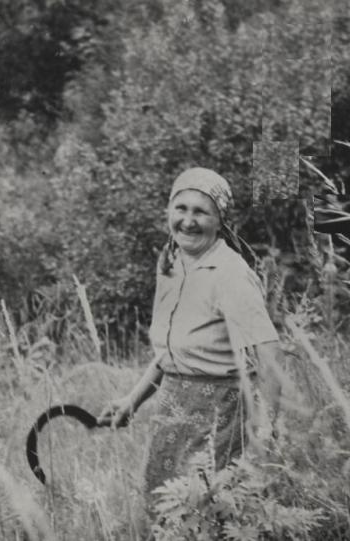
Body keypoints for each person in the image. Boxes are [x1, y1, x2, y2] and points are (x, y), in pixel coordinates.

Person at [97, 167, 282, 524]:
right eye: (180, 208)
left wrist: (265, 428)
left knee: (208, 512)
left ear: (220, 220)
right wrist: (132, 401)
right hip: (172, 405)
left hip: (218, 412)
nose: (188, 221)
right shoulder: (170, 262)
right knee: (166, 508)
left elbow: (269, 352)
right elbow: (173, 351)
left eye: (201, 212)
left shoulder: (230, 274)